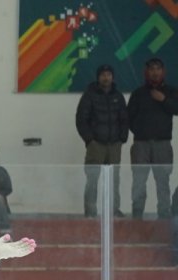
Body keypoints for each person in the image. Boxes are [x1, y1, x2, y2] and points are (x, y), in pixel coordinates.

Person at [127, 58, 178, 219]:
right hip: (141, 144)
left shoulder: (170, 92)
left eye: (158, 69)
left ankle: (163, 216)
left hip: (163, 144)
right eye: (151, 69)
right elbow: (129, 117)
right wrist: (141, 132)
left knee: (163, 182)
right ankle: (137, 216)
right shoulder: (138, 93)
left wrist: (163, 100)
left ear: (163, 72)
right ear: (146, 72)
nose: (155, 72)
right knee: (139, 182)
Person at [76, 64, 128, 218]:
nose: (106, 77)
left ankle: (114, 210)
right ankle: (90, 212)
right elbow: (81, 120)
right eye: (103, 75)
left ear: (113, 77)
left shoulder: (118, 96)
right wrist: (90, 140)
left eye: (109, 74)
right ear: (98, 77)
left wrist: (122, 138)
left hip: (114, 145)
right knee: (92, 180)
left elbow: (124, 119)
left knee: (114, 180)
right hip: (96, 145)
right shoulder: (89, 95)